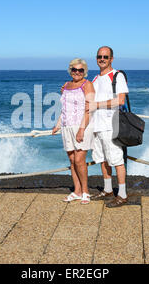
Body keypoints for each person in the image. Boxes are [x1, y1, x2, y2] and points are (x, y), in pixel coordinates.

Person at [88, 46, 129, 208]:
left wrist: (97, 105)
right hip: (96, 126)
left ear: (111, 59)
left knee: (117, 160)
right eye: (100, 56)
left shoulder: (117, 76)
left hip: (111, 126)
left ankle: (123, 194)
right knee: (102, 159)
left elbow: (120, 101)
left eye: (105, 57)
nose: (102, 59)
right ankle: (107, 190)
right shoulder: (95, 79)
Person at [52, 58, 95, 204]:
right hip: (67, 127)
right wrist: (57, 125)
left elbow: (89, 109)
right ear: (70, 70)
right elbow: (64, 109)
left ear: (85, 72)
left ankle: (85, 191)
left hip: (82, 126)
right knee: (71, 160)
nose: (77, 72)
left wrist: (82, 129)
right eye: (74, 70)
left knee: (79, 160)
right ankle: (76, 191)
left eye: (80, 70)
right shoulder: (66, 85)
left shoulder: (87, 85)